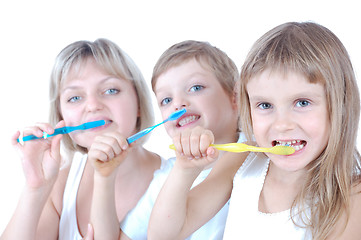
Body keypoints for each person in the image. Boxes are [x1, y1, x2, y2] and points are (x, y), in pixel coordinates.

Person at [148, 22, 361, 240]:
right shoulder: (243, 160)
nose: (281, 124)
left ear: (341, 104)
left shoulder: (352, 196)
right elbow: (163, 235)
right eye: (266, 105)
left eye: (302, 102)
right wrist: (185, 169)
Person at [0, 38, 161, 240]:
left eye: (111, 90)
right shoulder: (60, 184)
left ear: (138, 103)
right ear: (61, 117)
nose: (93, 105)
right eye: (75, 97)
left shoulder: (179, 175)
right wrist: (35, 188)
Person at [119, 40, 244, 239]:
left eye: (195, 88)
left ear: (236, 97)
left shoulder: (259, 156)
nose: (178, 104)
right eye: (166, 100)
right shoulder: (164, 179)